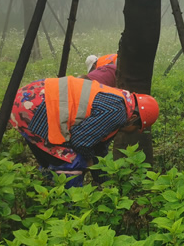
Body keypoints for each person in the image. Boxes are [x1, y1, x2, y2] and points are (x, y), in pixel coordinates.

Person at [9, 76, 159, 187]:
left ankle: (46, 191)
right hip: (32, 107)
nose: (133, 131)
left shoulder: (120, 101)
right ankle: (69, 210)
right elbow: (81, 141)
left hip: (29, 98)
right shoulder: (118, 112)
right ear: (134, 118)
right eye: (137, 127)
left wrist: (105, 183)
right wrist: (88, 160)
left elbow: (98, 149)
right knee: (73, 161)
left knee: (53, 160)